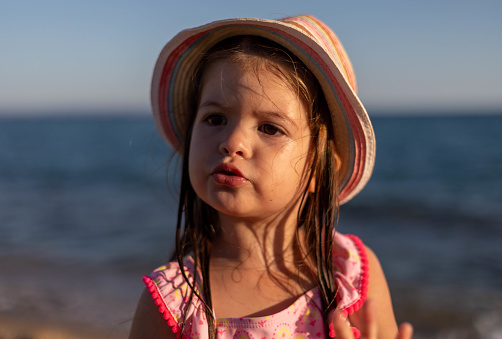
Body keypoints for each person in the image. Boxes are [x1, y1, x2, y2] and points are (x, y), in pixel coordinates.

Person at [129, 15, 413, 339]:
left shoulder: (350, 274)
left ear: (320, 171)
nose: (232, 142)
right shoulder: (172, 303)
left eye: (269, 128)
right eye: (215, 118)